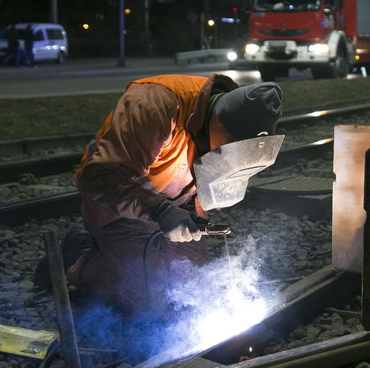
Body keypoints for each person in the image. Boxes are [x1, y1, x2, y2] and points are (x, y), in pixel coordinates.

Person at [49, 74, 283, 314]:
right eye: (232, 147)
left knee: (191, 286)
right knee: (147, 298)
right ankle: (77, 256)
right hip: (119, 201)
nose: (234, 161)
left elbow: (208, 178)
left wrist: (196, 214)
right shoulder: (155, 105)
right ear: (219, 123)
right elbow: (98, 178)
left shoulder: (240, 120)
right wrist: (160, 211)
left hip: (176, 207)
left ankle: (127, 256)